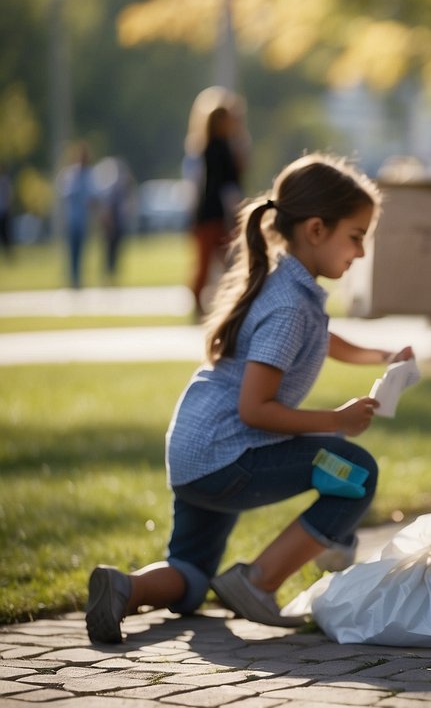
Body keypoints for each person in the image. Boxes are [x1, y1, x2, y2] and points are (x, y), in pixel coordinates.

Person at [84, 153, 413, 645]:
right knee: (357, 474)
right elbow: (254, 409)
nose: (361, 253)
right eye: (357, 236)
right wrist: (336, 420)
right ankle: (258, 582)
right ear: (317, 230)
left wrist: (381, 355)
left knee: (190, 576)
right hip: (229, 452)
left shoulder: (286, 288)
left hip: (198, 455)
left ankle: (125, 588)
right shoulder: (288, 306)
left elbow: (319, 338)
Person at [188, 94, 244, 318]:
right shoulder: (217, 149)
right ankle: (200, 304)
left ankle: (224, 301)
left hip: (214, 213)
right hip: (214, 214)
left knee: (225, 261)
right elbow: (226, 186)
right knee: (211, 262)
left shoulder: (217, 147)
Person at [56, 141, 94, 289]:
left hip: (83, 221)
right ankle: (72, 280)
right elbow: (66, 193)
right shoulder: (70, 174)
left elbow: (93, 196)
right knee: (71, 252)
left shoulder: (89, 175)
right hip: (72, 219)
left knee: (81, 252)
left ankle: (78, 279)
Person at [93, 156, 136, 283]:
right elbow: (106, 207)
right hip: (110, 223)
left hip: (118, 223)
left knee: (116, 249)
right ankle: (107, 273)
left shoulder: (121, 188)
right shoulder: (109, 188)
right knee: (108, 250)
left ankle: (112, 273)